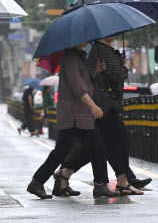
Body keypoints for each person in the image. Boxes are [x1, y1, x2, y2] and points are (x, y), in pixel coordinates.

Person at [55, 37, 152, 197]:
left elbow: (94, 75)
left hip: (102, 104)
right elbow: (118, 74)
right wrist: (125, 65)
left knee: (99, 147)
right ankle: (119, 182)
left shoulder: (98, 51)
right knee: (116, 142)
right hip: (104, 104)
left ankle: (65, 175)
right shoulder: (101, 50)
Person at [27, 42, 119, 199]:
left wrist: (97, 71)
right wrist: (93, 106)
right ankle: (38, 182)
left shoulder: (80, 57)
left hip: (82, 115)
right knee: (65, 151)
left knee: (95, 148)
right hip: (74, 116)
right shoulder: (70, 59)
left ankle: (99, 185)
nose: (87, 40)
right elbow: (78, 87)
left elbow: (85, 83)